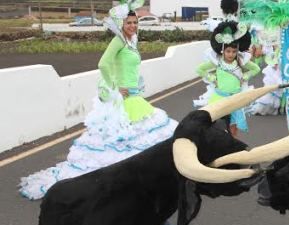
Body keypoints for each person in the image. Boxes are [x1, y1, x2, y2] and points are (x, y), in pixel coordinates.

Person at [19, 2, 177, 200]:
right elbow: (103, 63)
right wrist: (114, 88)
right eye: (128, 22)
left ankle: (134, 181)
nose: (132, 26)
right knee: (126, 140)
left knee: (134, 139)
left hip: (134, 95)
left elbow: (128, 67)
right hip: (123, 99)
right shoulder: (119, 40)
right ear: (121, 24)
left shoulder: (132, 40)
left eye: (135, 22)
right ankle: (123, 182)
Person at [193, 21, 260, 138]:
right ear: (222, 50)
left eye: (234, 51)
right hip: (219, 98)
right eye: (228, 51)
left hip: (235, 99)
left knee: (233, 128)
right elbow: (199, 69)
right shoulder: (217, 62)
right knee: (216, 126)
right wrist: (212, 78)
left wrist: (245, 76)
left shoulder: (240, 61)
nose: (231, 54)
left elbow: (256, 69)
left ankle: (231, 148)